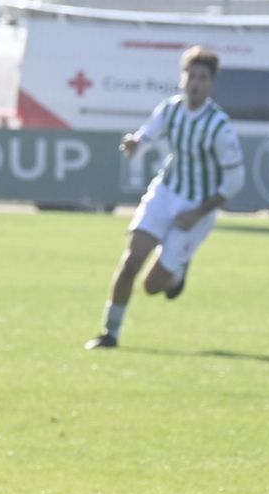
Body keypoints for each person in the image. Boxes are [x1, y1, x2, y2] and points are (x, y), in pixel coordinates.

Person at [85, 46, 244, 349]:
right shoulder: (171, 108)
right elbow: (147, 133)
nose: (195, 83)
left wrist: (197, 213)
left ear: (211, 84)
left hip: (197, 208)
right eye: (190, 75)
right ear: (182, 78)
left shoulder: (219, 126)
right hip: (165, 192)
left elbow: (236, 180)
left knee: (153, 286)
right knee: (131, 261)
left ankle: (177, 275)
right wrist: (135, 143)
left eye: (202, 77)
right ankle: (110, 333)